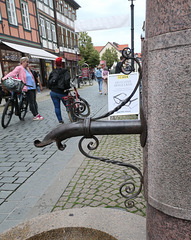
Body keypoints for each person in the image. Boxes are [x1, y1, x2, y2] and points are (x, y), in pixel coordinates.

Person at [48, 57, 71, 124]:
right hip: (62, 92)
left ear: (55, 64)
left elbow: (49, 82)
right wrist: (67, 88)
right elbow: (67, 81)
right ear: (62, 64)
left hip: (53, 92)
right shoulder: (65, 71)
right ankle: (73, 117)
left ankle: (60, 120)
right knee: (68, 105)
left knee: (57, 107)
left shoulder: (53, 72)